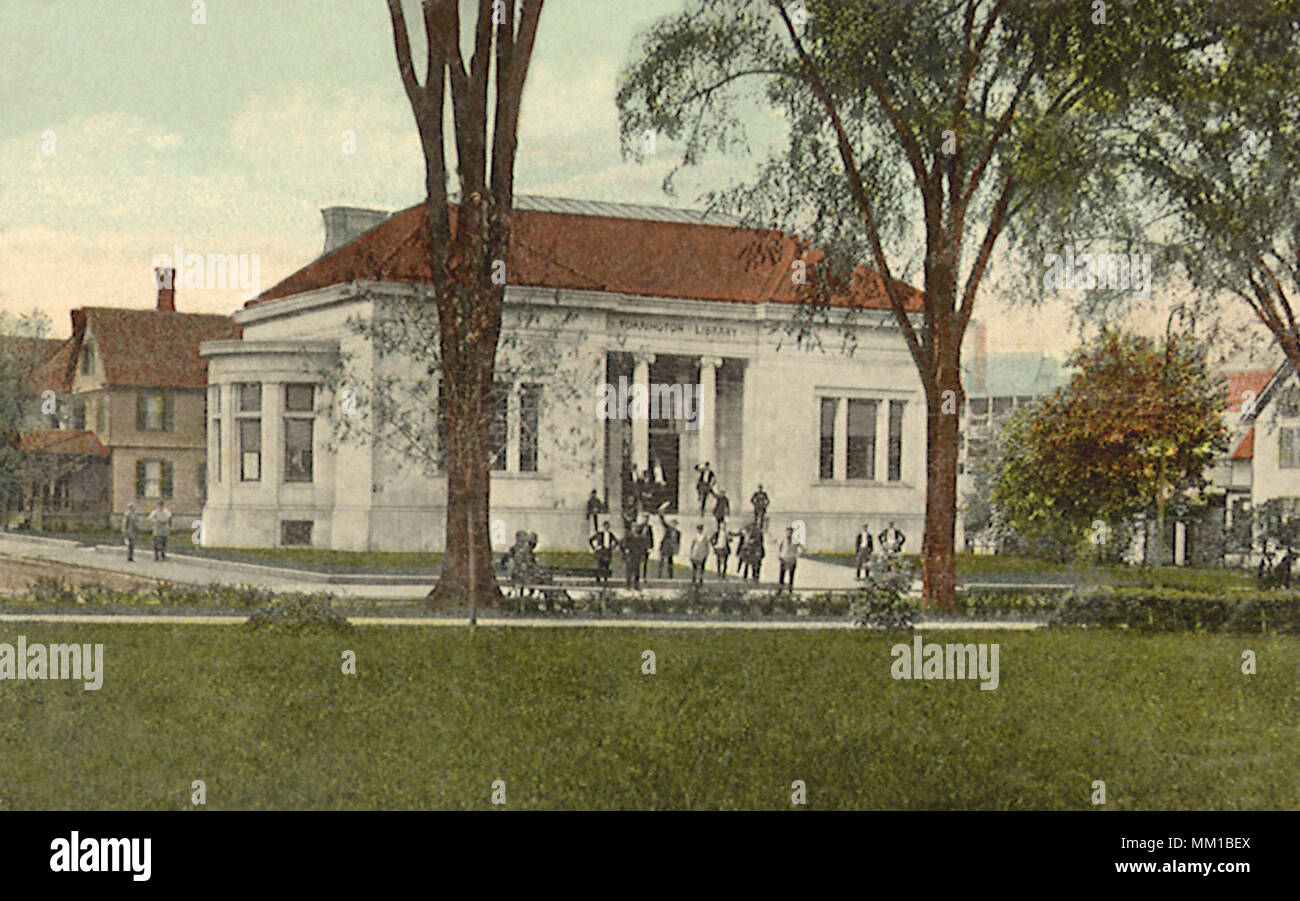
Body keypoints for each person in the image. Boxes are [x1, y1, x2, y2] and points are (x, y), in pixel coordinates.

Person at [777, 526, 803, 592]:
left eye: (790, 532)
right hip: (784, 559)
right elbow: (779, 548)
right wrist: (780, 556)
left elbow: (801, 548)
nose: (789, 534)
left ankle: (790, 590)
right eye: (788, 532)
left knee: (791, 575)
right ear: (786, 532)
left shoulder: (795, 540)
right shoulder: (782, 540)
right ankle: (780, 590)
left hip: (792, 560)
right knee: (782, 575)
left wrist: (797, 555)